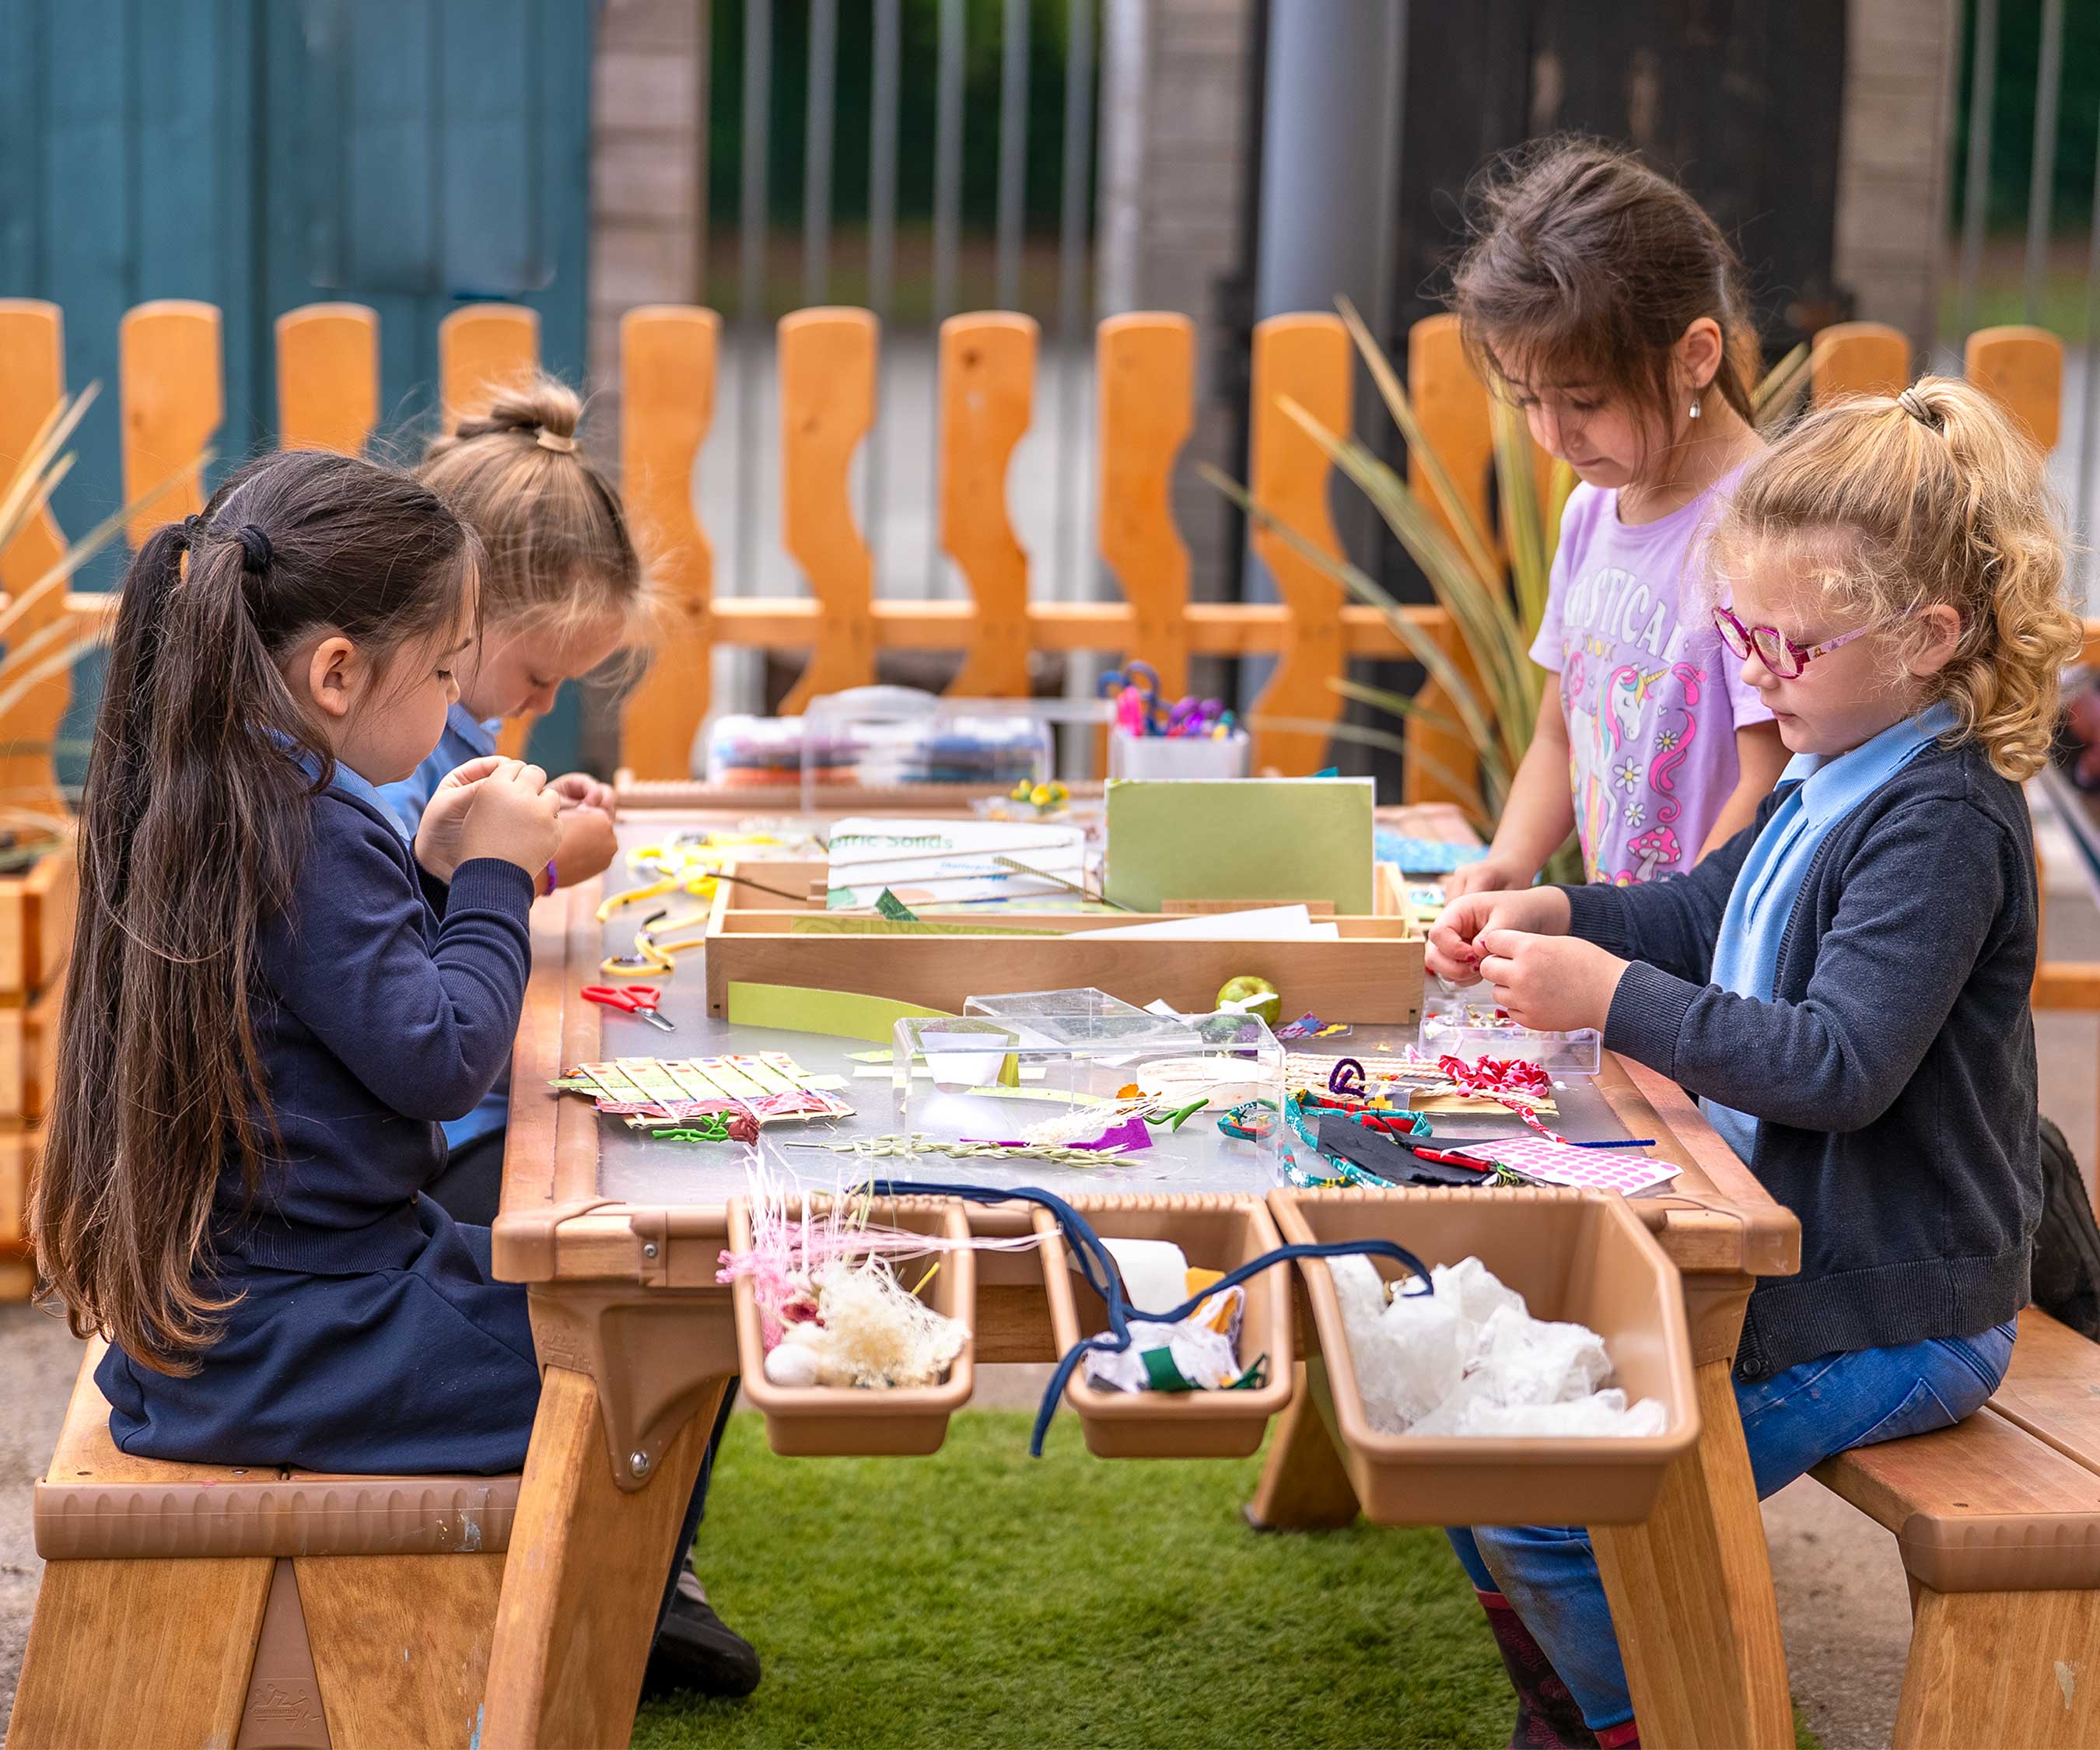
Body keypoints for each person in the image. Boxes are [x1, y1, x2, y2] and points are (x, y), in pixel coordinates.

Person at [31, 448, 754, 1703]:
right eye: (443, 673)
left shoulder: (222, 796)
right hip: (297, 1338)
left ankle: (601, 1606)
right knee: (652, 1352)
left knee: (623, 1312)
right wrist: (497, 875)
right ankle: (596, 1644)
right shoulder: (308, 828)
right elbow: (439, 1059)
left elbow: (339, 997)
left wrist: (426, 869)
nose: (455, 701)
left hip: (237, 1317)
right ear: (336, 673)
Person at [1426, 376, 2084, 1747]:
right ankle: (1597, 1710)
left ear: (1931, 636)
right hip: (1791, 1246)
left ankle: (1651, 1724)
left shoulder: (1944, 821)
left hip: (1902, 1298)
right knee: (1476, 1438)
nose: (1758, 670)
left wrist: (1609, 996)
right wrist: (1559, 909)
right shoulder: (1832, 757)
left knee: (1553, 1508)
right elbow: (1697, 910)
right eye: (1739, 634)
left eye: (1788, 643)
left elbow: (1839, 1065)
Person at [1440, 139, 1789, 898]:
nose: (1553, 435)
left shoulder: (1766, 532)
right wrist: (1507, 864)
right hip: (1627, 946)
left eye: (1584, 401)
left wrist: (1675, 932)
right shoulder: (1589, 512)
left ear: (1696, 355)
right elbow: (1557, 734)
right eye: (1528, 400)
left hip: (1704, 949)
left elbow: (1769, 780)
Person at [380, 379, 647, 1226]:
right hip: (441, 1144)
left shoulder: (449, 732)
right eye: (539, 675)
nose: (544, 704)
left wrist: (540, 819)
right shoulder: (391, 757)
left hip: (475, 1113)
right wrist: (544, 863)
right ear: (468, 610)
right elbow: (405, 961)